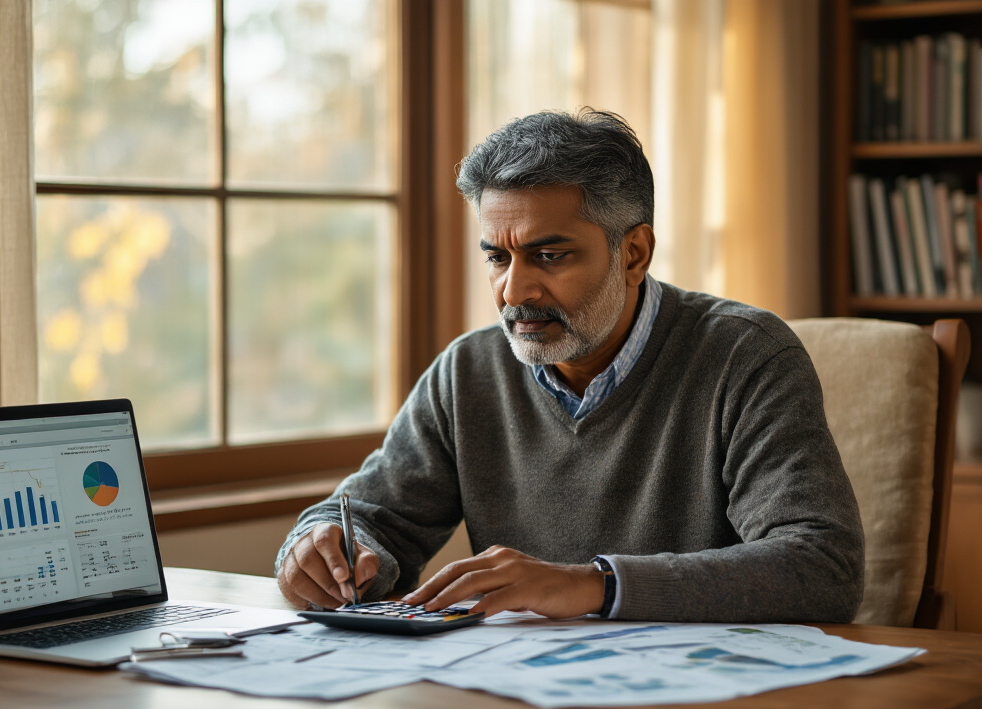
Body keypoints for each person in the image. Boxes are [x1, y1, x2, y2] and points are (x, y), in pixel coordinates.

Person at [275, 109, 864, 623]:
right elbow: (373, 517)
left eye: (548, 255)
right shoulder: (469, 373)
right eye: (496, 257)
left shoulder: (745, 355)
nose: (512, 291)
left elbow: (823, 565)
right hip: (518, 702)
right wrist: (320, 550)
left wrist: (591, 585)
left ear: (633, 254)